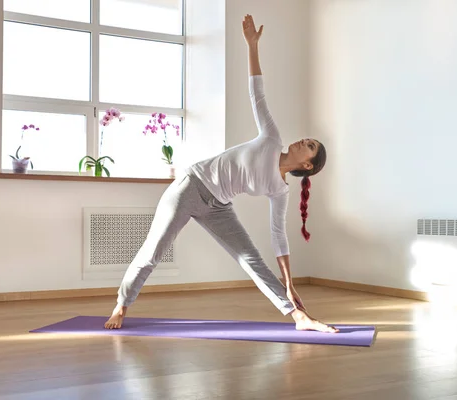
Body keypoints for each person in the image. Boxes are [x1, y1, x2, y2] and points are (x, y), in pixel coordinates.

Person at [104, 14, 338, 334]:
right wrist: (252, 46)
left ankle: (298, 318)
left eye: (308, 145)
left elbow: (278, 238)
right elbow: (257, 93)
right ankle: (121, 305)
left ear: (307, 165)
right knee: (153, 252)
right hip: (190, 186)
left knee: (252, 260)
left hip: (219, 207)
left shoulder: (279, 190)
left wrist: (290, 285)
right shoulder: (271, 138)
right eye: (306, 139)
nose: (302, 141)